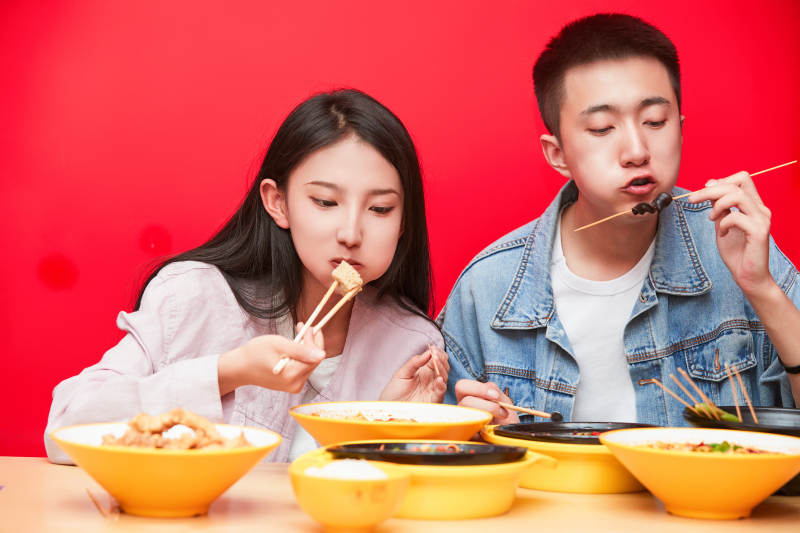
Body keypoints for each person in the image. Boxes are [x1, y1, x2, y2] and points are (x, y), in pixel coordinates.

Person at [45, 89, 448, 463]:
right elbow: (66, 427)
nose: (351, 234)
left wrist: (393, 422)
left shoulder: (412, 348)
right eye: (325, 202)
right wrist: (228, 371)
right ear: (278, 203)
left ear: (403, 222)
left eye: (380, 209)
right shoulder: (192, 298)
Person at [438, 13, 800, 426]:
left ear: (679, 129)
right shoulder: (487, 288)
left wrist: (763, 289)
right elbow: (439, 450)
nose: (636, 150)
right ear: (557, 154)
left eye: (655, 122)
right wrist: (483, 432)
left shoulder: (733, 246)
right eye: (602, 127)